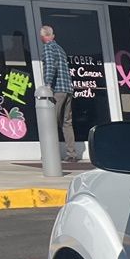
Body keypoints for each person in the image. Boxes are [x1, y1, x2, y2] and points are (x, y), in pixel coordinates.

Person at [38, 25, 77, 162]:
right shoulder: (60, 49)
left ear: (43, 37)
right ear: (52, 35)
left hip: (57, 90)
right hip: (67, 89)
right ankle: (71, 153)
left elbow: (50, 65)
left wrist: (47, 84)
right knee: (67, 122)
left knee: (51, 122)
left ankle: (50, 154)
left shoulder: (48, 47)